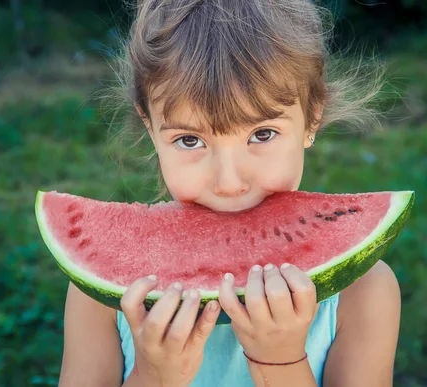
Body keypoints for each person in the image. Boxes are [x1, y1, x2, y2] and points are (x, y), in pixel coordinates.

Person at [58, 1, 401, 386]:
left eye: (262, 134)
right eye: (190, 140)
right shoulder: (106, 293)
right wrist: (153, 376)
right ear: (150, 128)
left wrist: (281, 362)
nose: (228, 182)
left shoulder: (364, 293)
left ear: (312, 117)